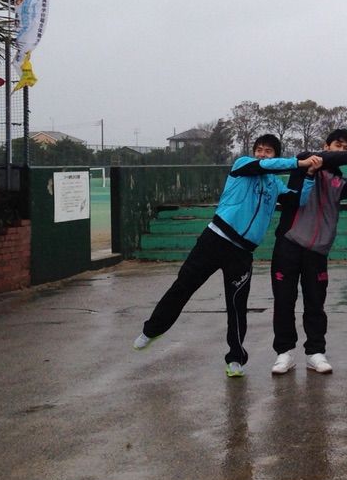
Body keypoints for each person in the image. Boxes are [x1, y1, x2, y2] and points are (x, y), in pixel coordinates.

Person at [131, 133, 320, 377]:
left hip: (242, 253)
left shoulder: (274, 185)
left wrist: (310, 175)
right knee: (183, 286)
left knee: (237, 306)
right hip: (214, 239)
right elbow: (262, 166)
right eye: (259, 149)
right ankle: (151, 330)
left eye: (268, 151)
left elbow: (297, 200)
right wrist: (298, 163)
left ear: (276, 154)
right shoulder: (243, 166)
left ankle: (236, 359)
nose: (262, 154)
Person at [270, 128, 347, 375]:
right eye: (338, 145)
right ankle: (284, 352)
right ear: (326, 146)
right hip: (289, 243)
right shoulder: (305, 160)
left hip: (318, 250)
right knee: (284, 300)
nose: (341, 151)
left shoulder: (337, 181)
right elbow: (326, 159)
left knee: (315, 303)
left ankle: (315, 352)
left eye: (346, 148)